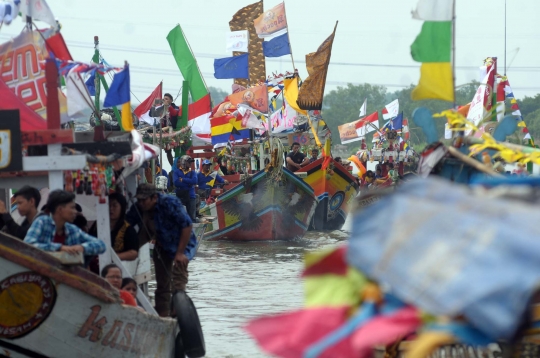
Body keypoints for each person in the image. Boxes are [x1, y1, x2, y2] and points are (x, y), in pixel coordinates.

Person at [126, 183, 196, 317]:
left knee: (178, 282)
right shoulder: (140, 207)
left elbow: (187, 226)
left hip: (183, 243)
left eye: (144, 200)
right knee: (162, 285)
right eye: (139, 200)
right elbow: (127, 222)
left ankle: (177, 313)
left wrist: (180, 253)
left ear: (154, 198)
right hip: (162, 243)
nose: (141, 203)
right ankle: (163, 317)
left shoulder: (170, 203)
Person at [24, 190, 106, 257]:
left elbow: (101, 245)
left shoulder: (72, 229)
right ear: (60, 209)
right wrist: (59, 248)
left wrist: (82, 248)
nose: (75, 211)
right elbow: (27, 246)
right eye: (72, 207)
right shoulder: (42, 222)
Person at [88, 192, 139, 261]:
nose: (111, 209)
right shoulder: (98, 224)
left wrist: (112, 257)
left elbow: (133, 253)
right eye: (108, 205)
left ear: (122, 208)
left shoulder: (128, 229)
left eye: (114, 206)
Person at [173, 155, 197, 221]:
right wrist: (189, 182)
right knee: (180, 218)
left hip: (191, 197)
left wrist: (183, 180)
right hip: (180, 197)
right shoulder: (176, 172)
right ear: (183, 162)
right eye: (189, 162)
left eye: (191, 162)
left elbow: (194, 181)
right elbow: (176, 183)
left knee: (192, 218)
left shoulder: (193, 172)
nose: (190, 164)